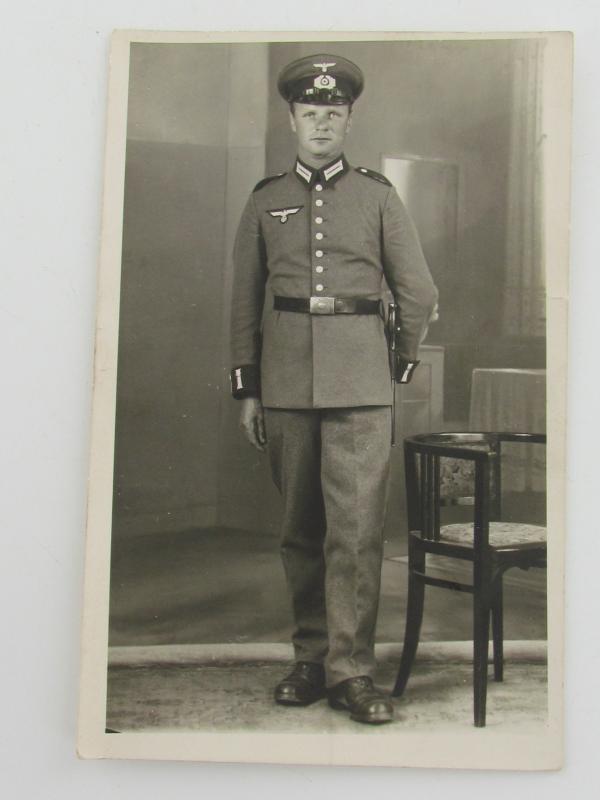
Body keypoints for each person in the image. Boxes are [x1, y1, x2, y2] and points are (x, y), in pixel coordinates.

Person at [229, 53, 438, 725]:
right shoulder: (265, 201)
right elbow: (243, 300)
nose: (322, 122)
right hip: (286, 382)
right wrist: (248, 388)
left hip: (360, 383)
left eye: (334, 112)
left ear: (349, 119)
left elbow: (419, 292)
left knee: (355, 533)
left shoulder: (378, 196)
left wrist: (399, 364)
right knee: (299, 531)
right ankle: (310, 659)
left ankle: (352, 671)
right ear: (292, 118)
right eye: (310, 112)